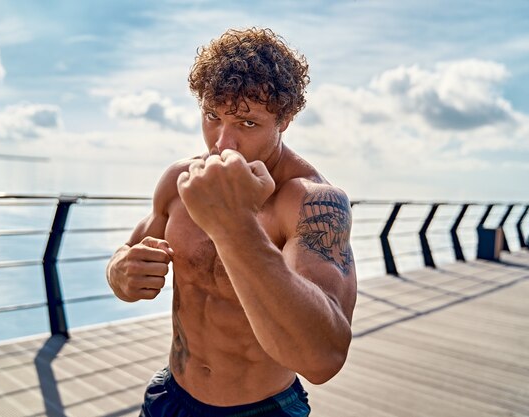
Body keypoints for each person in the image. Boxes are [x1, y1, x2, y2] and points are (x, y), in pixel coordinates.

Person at [106, 27, 357, 417]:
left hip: (261, 409)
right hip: (172, 396)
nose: (223, 144)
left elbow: (323, 359)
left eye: (247, 123)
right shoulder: (181, 181)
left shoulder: (309, 201)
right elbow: (130, 256)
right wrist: (119, 271)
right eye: (212, 116)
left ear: (284, 121)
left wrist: (234, 226)